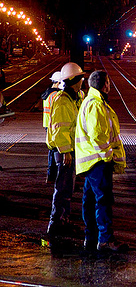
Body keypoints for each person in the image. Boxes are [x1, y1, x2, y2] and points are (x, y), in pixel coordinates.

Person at [75, 70, 127, 252]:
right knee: (103, 199)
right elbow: (98, 136)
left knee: (89, 200)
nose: (110, 86)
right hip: (97, 161)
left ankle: (91, 237)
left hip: (89, 161)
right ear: (105, 85)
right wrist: (108, 157)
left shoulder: (90, 102)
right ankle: (105, 240)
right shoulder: (96, 105)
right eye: (109, 83)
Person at [46, 62, 85, 239]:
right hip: (64, 153)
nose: (82, 81)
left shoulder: (73, 99)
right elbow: (59, 129)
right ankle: (56, 223)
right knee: (63, 187)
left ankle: (63, 220)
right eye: (80, 78)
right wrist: (66, 151)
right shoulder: (63, 101)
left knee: (67, 187)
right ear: (73, 80)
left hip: (68, 151)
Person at [41, 71, 62, 185]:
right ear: (58, 83)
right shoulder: (56, 95)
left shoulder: (47, 93)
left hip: (47, 124)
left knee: (52, 150)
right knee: (56, 150)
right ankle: (53, 175)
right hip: (54, 124)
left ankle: (51, 175)